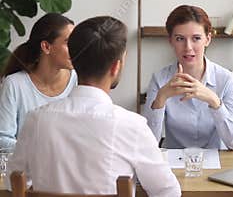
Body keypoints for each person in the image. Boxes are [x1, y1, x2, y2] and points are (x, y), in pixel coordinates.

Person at [7, 16, 181, 196]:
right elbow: (168, 192)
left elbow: (12, 181)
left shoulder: (36, 120)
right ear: (115, 67)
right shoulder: (132, 126)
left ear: (73, 62)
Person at [143, 5, 233, 149]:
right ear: (170, 41)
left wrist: (214, 100)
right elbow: (147, 145)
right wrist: (161, 98)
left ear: (208, 39)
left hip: (216, 164)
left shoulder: (226, 79)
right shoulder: (160, 79)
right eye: (180, 39)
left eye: (196, 38)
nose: (188, 47)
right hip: (174, 165)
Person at [0, 13, 77, 149]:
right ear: (46, 47)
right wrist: (42, 152)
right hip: (25, 167)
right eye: (68, 43)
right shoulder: (14, 84)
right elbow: (3, 139)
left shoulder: (78, 80)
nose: (76, 49)